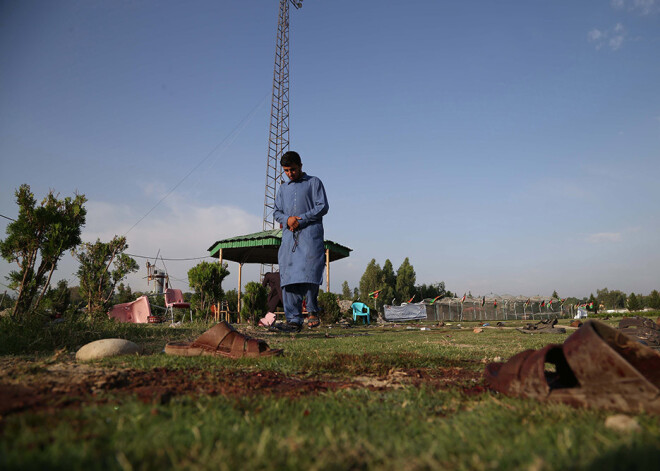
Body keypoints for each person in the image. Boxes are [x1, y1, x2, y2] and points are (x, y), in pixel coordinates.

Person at [272, 150, 329, 332]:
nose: (290, 173)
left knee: (311, 271)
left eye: (293, 169)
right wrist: (287, 219)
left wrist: (301, 219)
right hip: (289, 238)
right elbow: (276, 212)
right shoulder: (283, 189)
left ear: (301, 166)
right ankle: (293, 319)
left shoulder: (314, 182)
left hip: (310, 235)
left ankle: (312, 311)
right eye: (286, 170)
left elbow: (323, 206)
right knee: (289, 277)